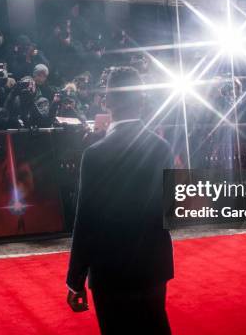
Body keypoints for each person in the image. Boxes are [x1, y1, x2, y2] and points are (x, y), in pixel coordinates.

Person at [66, 66, 174, 334]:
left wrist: (75, 279)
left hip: (109, 270)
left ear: (107, 102)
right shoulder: (162, 148)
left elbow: (85, 221)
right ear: (141, 101)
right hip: (152, 265)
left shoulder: (94, 154)